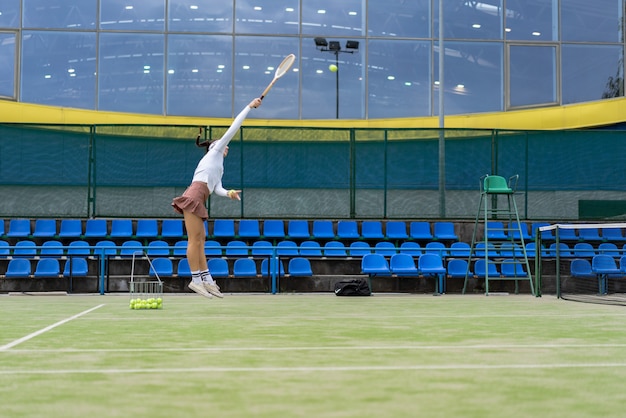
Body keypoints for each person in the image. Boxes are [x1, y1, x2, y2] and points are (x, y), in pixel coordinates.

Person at [172, 97, 262, 298]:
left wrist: (229, 193)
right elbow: (234, 127)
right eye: (221, 145)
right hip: (194, 196)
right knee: (194, 241)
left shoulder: (218, 166)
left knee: (200, 240)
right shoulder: (214, 153)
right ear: (214, 147)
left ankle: (207, 280)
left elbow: (217, 188)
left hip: (200, 198)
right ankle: (195, 280)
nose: (225, 147)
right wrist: (249, 107)